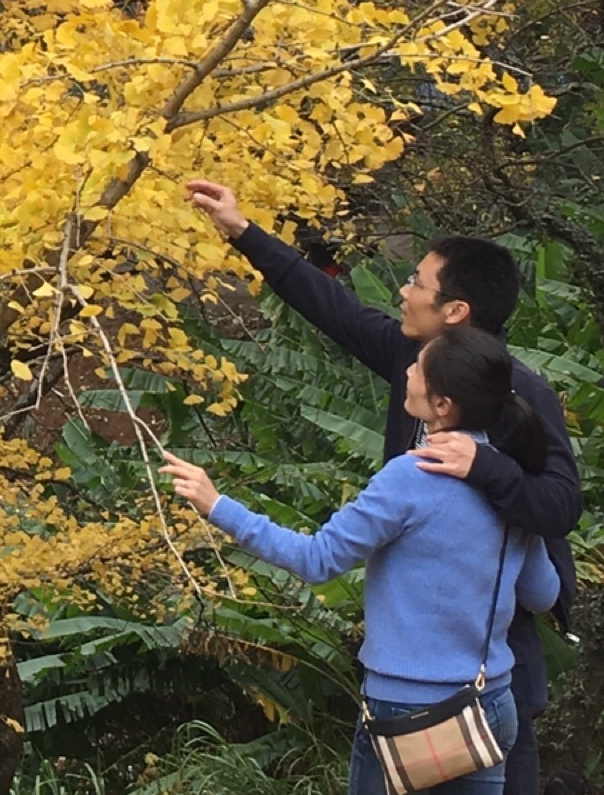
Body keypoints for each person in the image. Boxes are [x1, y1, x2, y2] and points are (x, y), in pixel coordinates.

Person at [187, 178, 581, 795]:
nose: (404, 289)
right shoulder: (423, 365)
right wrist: (244, 232)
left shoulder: (517, 396)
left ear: (456, 311)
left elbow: (560, 507)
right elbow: (335, 309)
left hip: (480, 677)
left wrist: (485, 469)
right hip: (477, 677)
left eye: (418, 282)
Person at [163, 327, 562, 795]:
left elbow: (318, 560)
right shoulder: (511, 479)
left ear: (442, 405)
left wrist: (219, 507)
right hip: (489, 701)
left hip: (408, 711)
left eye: (419, 367)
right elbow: (542, 594)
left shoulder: (412, 477)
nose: (408, 368)